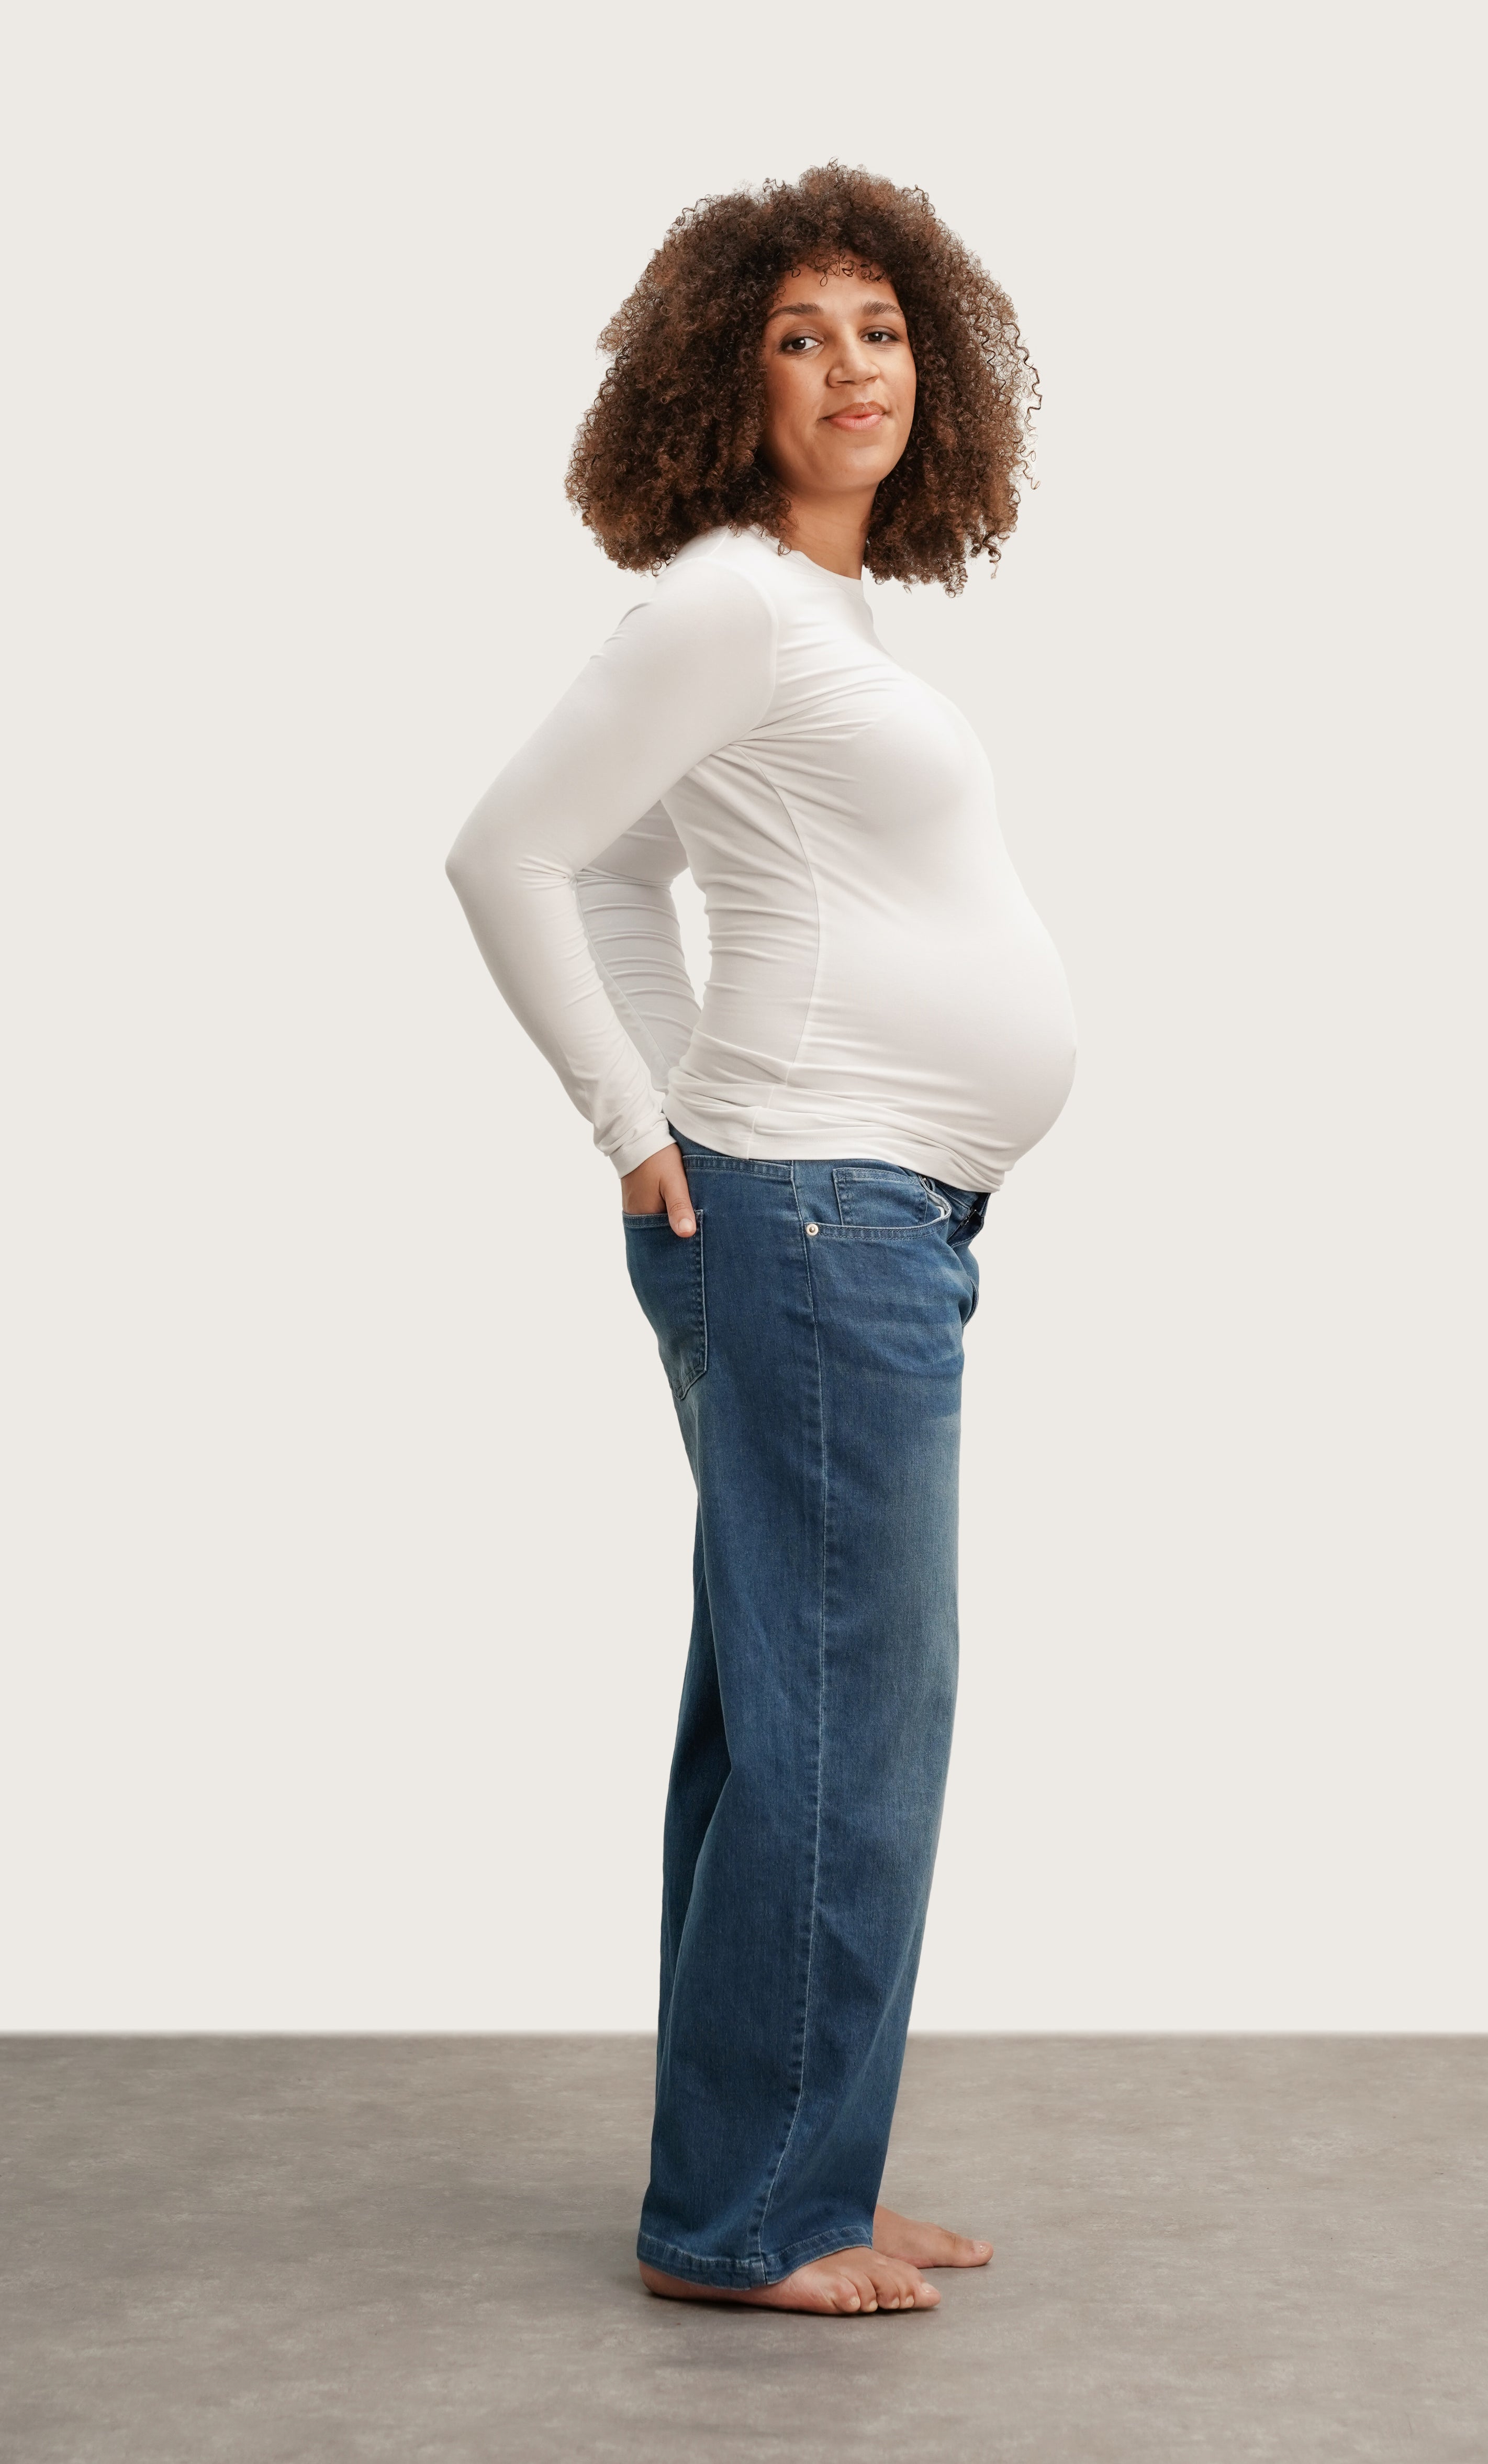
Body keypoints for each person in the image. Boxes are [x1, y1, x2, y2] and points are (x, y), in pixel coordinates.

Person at [446, 165, 1076, 2315]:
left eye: (881, 330)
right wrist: (635, 1124)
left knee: (793, 1714)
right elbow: (514, 854)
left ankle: (797, 2162)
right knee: (845, 1722)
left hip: (847, 1213)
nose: (850, 369)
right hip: (810, 1210)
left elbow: (629, 871)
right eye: (799, 336)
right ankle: (753, 2216)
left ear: (937, 365)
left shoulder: (813, 615)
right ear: (728, 381)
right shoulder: (726, 600)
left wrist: (673, 1101)